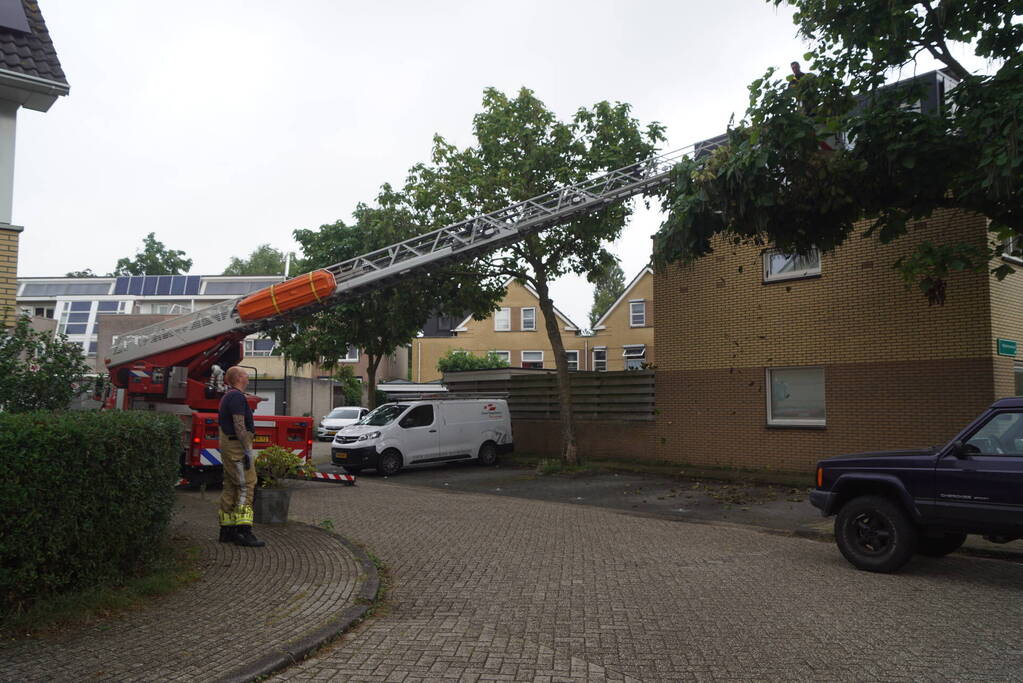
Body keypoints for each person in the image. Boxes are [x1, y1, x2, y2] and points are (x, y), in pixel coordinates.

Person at [217, 366, 265, 547]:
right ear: (239, 377)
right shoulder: (236, 397)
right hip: (237, 447)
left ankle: (226, 530)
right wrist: (246, 449)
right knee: (247, 485)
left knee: (230, 487)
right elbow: (239, 424)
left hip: (229, 445)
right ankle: (244, 531)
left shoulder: (228, 396)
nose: (248, 375)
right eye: (245, 373)